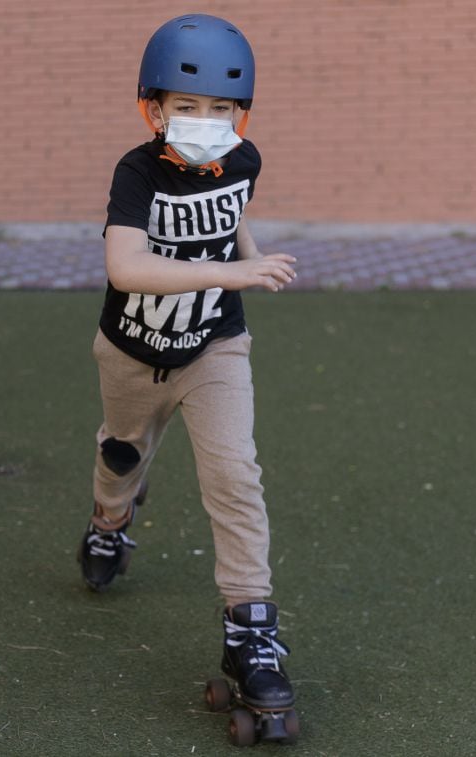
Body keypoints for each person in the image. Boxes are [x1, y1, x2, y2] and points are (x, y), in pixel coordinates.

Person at [78, 13, 298, 720]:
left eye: (223, 109)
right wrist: (235, 276)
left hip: (213, 346)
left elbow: (228, 214)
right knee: (121, 454)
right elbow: (126, 265)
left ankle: (251, 630)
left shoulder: (244, 159)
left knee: (235, 472)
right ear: (155, 110)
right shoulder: (136, 172)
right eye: (189, 107)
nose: (208, 122)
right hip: (133, 350)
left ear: (242, 114)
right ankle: (111, 520)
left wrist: (250, 259)